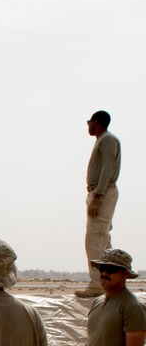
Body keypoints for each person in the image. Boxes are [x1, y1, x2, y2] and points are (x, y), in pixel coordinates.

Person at [76, 111, 121, 298]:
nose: (88, 126)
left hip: (102, 193)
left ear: (97, 122)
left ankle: (96, 285)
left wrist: (98, 196)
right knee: (103, 240)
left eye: (89, 122)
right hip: (99, 192)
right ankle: (109, 282)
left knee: (94, 239)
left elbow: (107, 169)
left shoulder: (108, 140)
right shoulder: (103, 140)